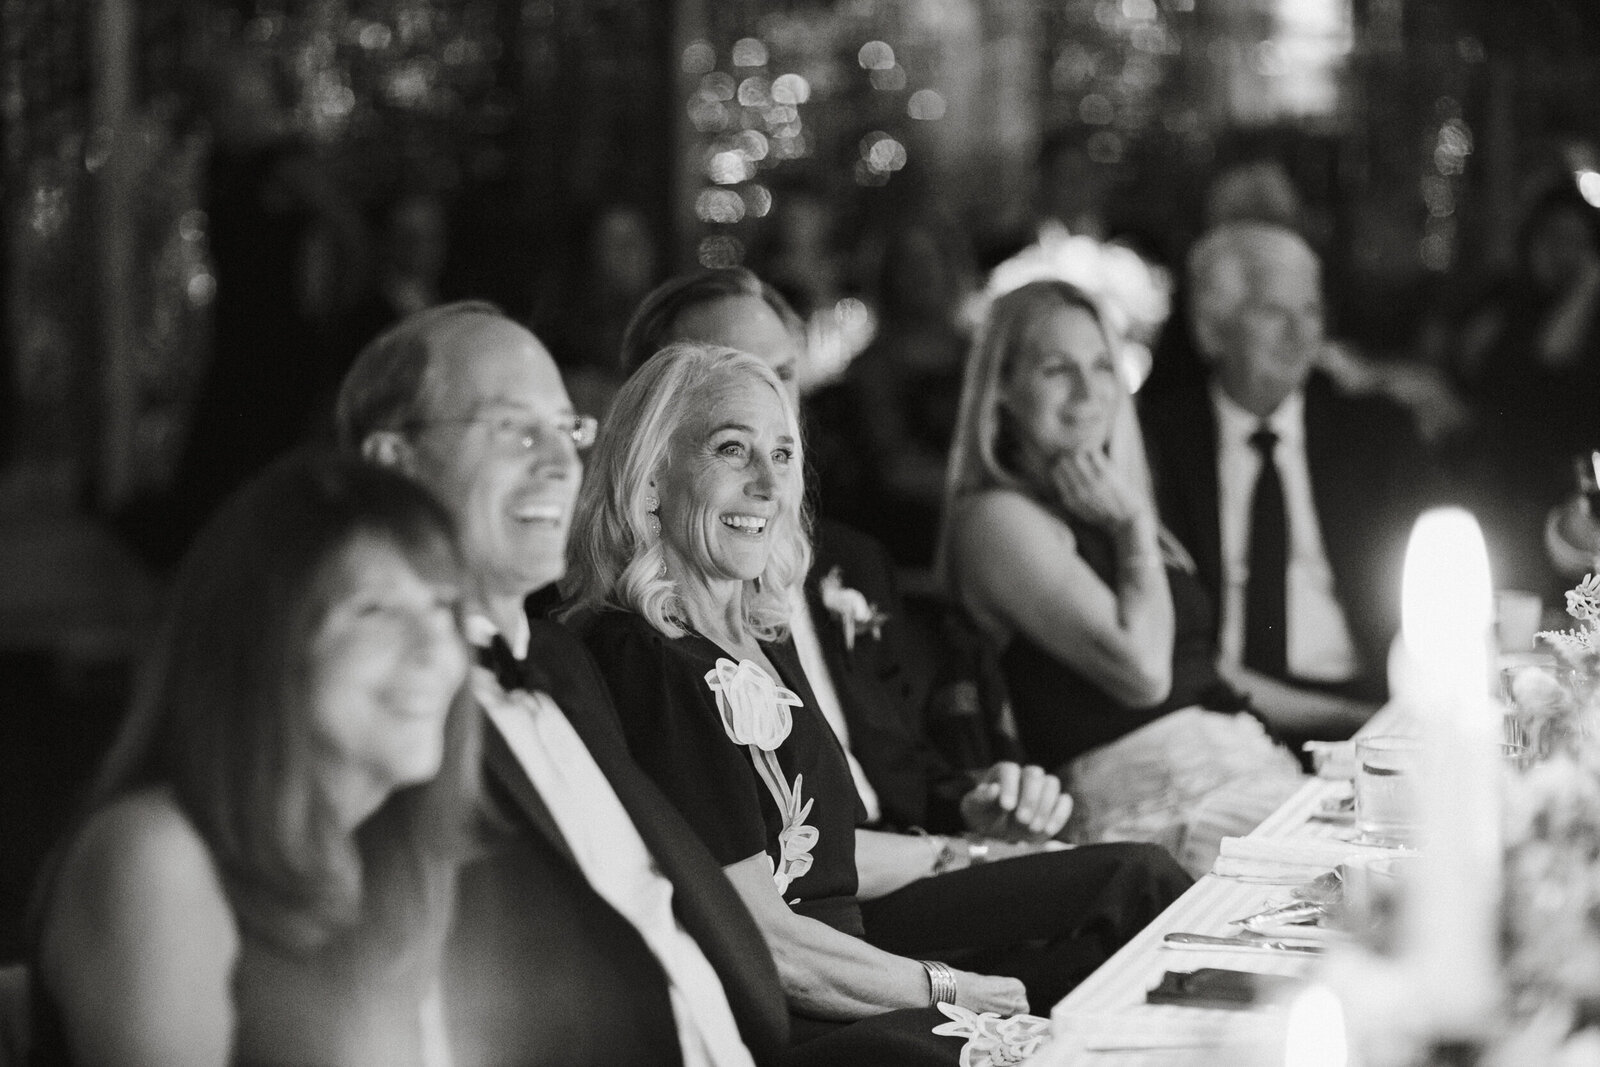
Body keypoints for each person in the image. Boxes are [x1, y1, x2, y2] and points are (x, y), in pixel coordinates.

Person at [565, 342, 1190, 1064]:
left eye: (784, 453)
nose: (769, 484)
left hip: (851, 944)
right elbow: (761, 935)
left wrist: (963, 851)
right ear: (651, 483)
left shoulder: (754, 630)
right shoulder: (650, 658)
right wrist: (946, 987)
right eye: (732, 450)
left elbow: (812, 850)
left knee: (1134, 887)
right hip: (792, 1006)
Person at [336, 301, 788, 1066]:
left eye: (568, 429)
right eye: (514, 429)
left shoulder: (559, 664)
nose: (558, 462)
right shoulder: (365, 716)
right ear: (394, 462)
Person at [31, 451, 480, 1065]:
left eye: (443, 609)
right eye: (376, 611)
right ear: (264, 642)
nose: (436, 650)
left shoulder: (389, 860)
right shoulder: (156, 857)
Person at [937, 278, 1305, 876]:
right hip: (1164, 807)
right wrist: (1135, 525)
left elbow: (1210, 672)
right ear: (1001, 388)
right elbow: (1143, 674)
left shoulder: (1102, 503)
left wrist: (1354, 712)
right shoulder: (995, 517)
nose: (1088, 391)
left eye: (1103, 366)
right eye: (1058, 369)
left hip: (1253, 773)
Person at [1142, 221, 1435, 743]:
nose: (1302, 336)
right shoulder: (1160, 442)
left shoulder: (1377, 437)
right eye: (1274, 313)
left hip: (1366, 708)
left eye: (1312, 312)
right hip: (1217, 718)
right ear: (1213, 329)